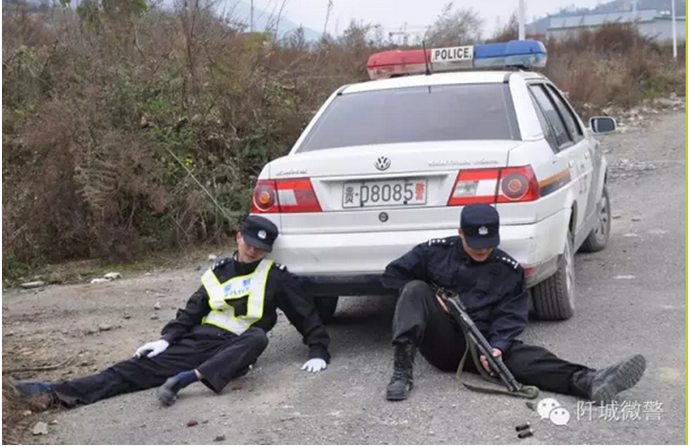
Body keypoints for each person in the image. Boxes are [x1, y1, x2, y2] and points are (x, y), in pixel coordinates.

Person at [12, 215, 331, 408]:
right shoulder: (217, 272)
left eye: (260, 248)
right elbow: (191, 312)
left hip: (236, 348)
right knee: (129, 370)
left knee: (258, 337)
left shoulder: (275, 276)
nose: (253, 250)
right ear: (238, 238)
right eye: (249, 243)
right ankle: (53, 392)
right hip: (199, 342)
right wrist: (166, 339)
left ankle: (185, 380)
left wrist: (318, 350)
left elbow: (304, 314)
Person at [382, 203, 646, 403]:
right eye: (475, 245)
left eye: (488, 245)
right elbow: (392, 276)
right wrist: (434, 297)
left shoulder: (508, 270)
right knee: (414, 289)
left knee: (529, 358)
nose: (482, 251)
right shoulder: (434, 252)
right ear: (460, 233)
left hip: (482, 342)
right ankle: (401, 373)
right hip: (443, 340)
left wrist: (497, 347)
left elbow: (511, 316)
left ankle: (589, 381)